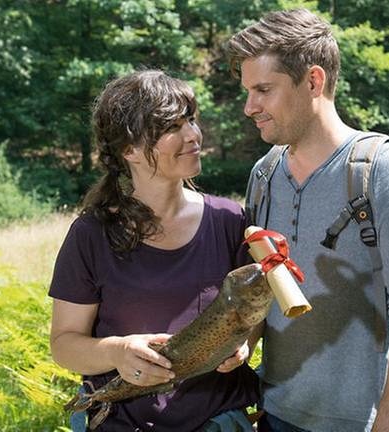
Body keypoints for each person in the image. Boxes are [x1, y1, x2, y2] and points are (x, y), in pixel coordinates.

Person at [227, 9, 389, 432]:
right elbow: (265, 284)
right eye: (247, 91)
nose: (249, 106)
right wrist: (245, 342)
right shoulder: (264, 174)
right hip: (275, 417)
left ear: (313, 81)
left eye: (263, 90)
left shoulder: (385, 172)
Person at [48, 70, 259, 432]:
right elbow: (64, 344)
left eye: (191, 120)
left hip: (220, 423)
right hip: (122, 424)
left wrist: (243, 347)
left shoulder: (230, 220)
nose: (193, 135)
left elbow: (252, 315)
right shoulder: (91, 235)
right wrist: (117, 351)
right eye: (171, 127)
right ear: (129, 149)